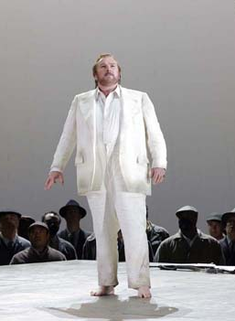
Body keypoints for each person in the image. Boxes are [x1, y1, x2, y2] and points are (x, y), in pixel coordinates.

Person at [44, 53, 167, 298]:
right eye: (103, 67)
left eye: (112, 66)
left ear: (119, 72)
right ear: (95, 74)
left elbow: (154, 132)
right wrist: (57, 166)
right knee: (102, 230)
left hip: (129, 169)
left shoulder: (138, 98)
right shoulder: (81, 101)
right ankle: (107, 282)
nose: (108, 69)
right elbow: (69, 134)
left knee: (134, 228)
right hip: (96, 171)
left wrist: (159, 162)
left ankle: (141, 282)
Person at [155, 206, 223, 264]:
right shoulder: (167, 246)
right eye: (181, 218)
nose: (184, 221)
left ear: (195, 219)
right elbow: (157, 271)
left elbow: (222, 270)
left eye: (188, 217)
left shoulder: (212, 244)